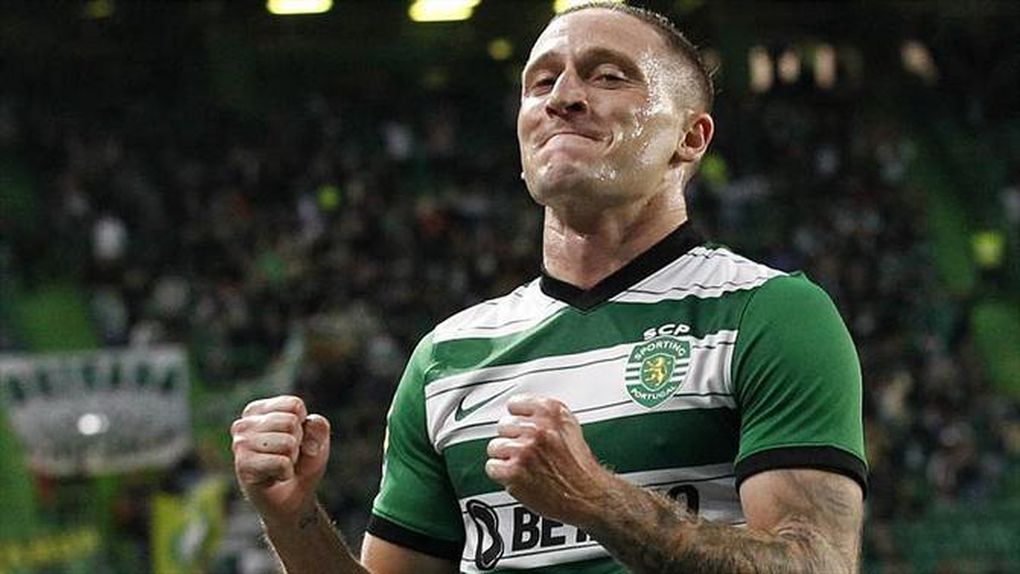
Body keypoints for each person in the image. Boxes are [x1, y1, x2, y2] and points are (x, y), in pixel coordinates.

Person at [230, 3, 867, 573]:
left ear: (690, 138)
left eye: (608, 76)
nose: (563, 97)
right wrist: (293, 518)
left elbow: (817, 565)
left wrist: (596, 498)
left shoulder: (767, 312)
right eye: (540, 82)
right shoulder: (447, 358)